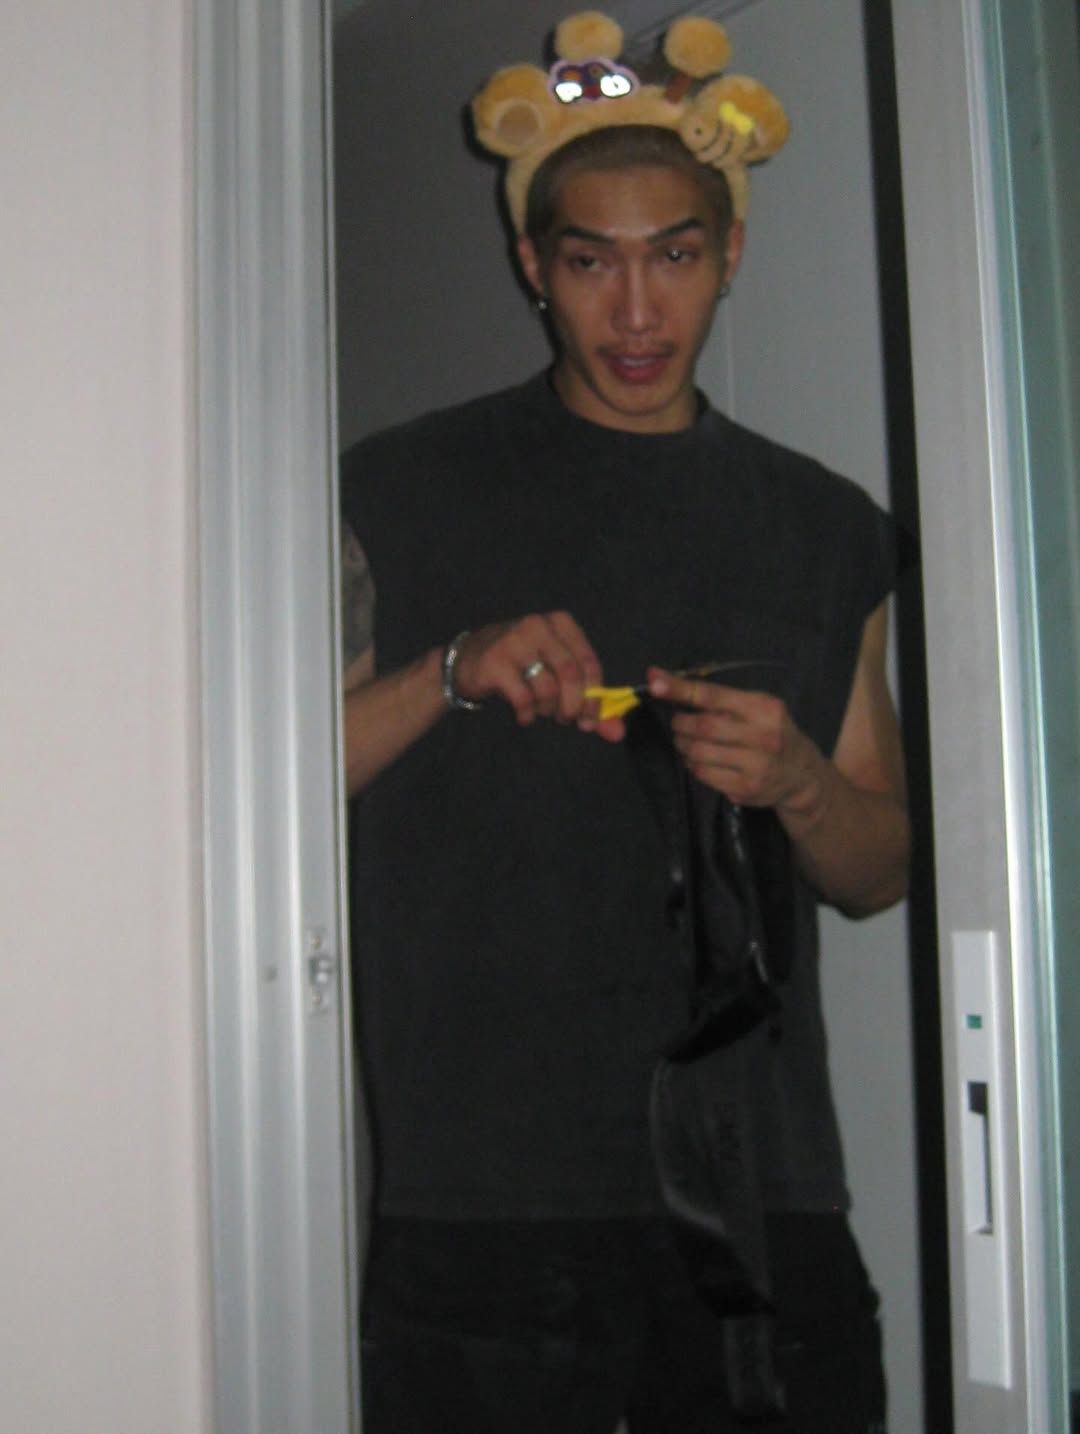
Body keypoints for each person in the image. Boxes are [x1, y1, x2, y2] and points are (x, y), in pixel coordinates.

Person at [339, 13, 909, 1432]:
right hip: (486, 1211)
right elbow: (263, 791)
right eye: (593, 262)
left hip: (763, 1200)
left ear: (732, 253)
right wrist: (450, 670)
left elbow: (880, 869)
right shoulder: (395, 490)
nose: (639, 314)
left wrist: (796, 778)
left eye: (678, 256)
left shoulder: (828, 526)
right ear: (533, 265)